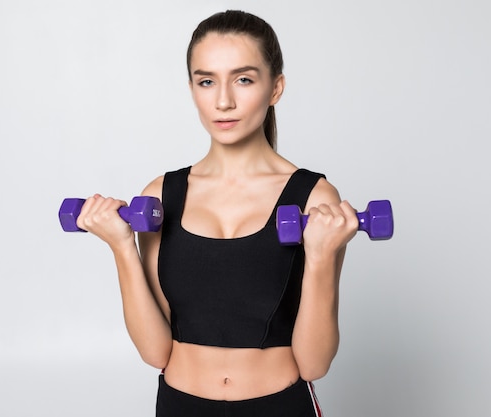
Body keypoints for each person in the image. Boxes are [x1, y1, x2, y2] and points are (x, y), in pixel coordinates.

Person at [77, 10, 359, 417]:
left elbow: (314, 364)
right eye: (206, 81)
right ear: (192, 88)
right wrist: (122, 247)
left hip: (279, 406)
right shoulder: (161, 196)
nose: (223, 100)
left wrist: (319, 257)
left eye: (243, 79)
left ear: (275, 87)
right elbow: (156, 351)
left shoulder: (314, 198)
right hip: (179, 405)